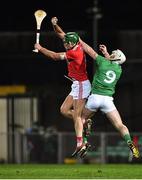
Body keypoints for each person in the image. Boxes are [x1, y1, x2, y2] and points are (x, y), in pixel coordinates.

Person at [34, 21, 91, 158]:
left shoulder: (74, 53)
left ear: (72, 44)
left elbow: (54, 56)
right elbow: (61, 33)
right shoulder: (74, 41)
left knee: (76, 116)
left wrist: (40, 48)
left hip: (82, 84)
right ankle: (84, 121)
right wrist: (55, 25)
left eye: (66, 43)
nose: (65, 44)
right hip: (76, 84)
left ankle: (80, 144)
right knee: (64, 110)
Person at [79, 41, 140, 159]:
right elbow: (111, 61)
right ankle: (130, 143)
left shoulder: (102, 62)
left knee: (81, 119)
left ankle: (85, 142)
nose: (111, 54)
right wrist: (106, 53)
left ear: (115, 57)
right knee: (120, 125)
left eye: (114, 53)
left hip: (95, 98)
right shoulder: (119, 70)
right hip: (107, 100)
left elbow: (89, 50)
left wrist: (79, 40)